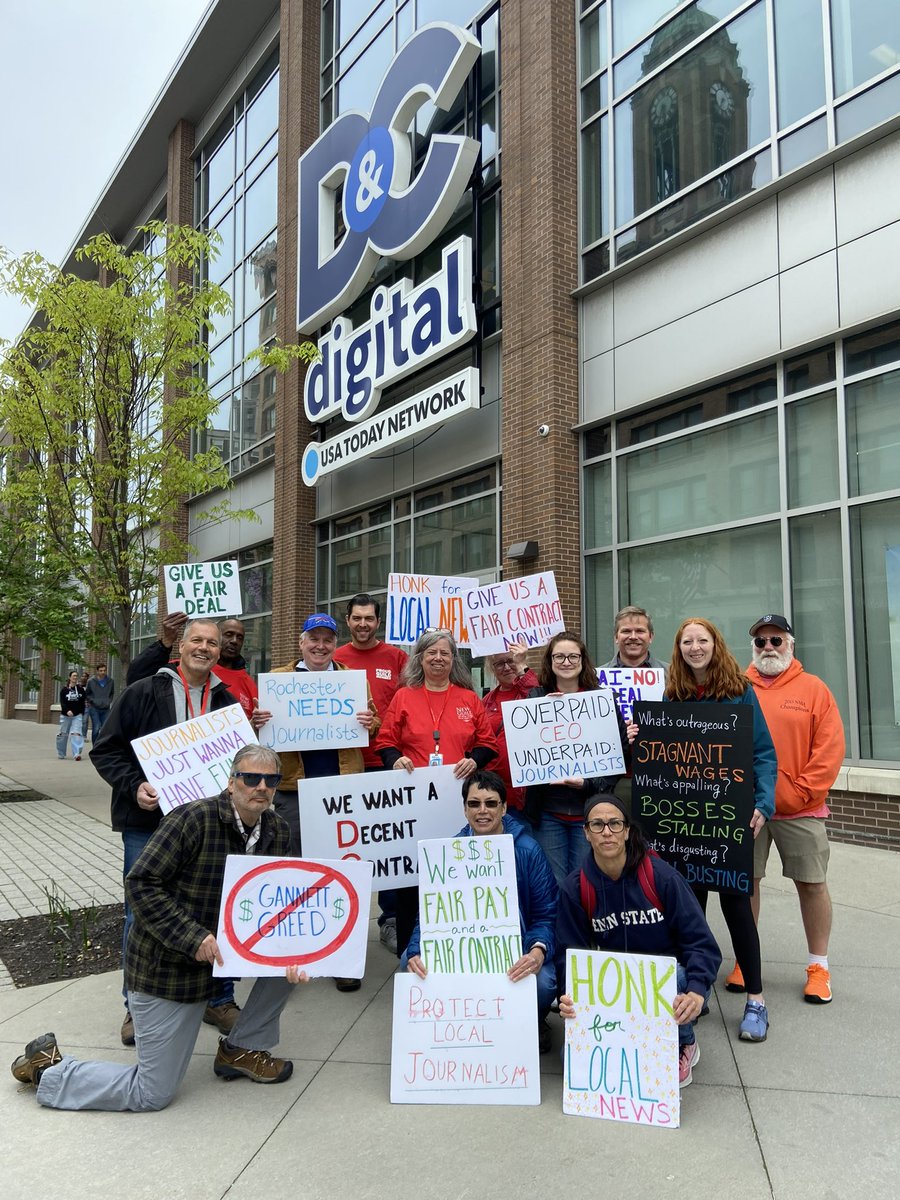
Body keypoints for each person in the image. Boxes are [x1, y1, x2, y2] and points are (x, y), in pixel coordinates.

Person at [11, 747, 309, 1111]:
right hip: (170, 967)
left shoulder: (277, 830)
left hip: (227, 956)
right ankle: (50, 1068)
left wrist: (299, 949)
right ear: (232, 782)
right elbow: (141, 884)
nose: (261, 787)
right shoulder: (193, 820)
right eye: (251, 778)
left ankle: (240, 1049)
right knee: (152, 1092)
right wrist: (192, 937)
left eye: (271, 780)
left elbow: (282, 901)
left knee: (290, 966)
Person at [91, 619, 245, 1044]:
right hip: (148, 824)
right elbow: (105, 749)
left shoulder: (226, 701)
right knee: (139, 913)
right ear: (181, 645)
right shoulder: (144, 691)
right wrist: (132, 785)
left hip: (209, 827)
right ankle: (136, 1007)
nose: (205, 648)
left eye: (212, 643)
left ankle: (218, 997)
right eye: (197, 640)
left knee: (214, 908)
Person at [660, 617, 777, 1043]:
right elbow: (661, 756)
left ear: (715, 644)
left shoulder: (739, 692)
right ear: (679, 648)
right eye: (687, 641)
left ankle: (756, 1001)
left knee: (737, 910)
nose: (695, 647)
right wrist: (640, 735)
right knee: (690, 912)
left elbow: (763, 752)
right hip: (685, 821)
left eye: (702, 640)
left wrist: (763, 803)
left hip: (727, 820)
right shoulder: (672, 695)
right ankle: (695, 990)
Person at [556, 795, 722, 1088]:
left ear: (627, 831)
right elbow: (569, 953)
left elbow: (701, 943)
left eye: (614, 823)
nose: (607, 832)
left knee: (680, 980)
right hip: (616, 988)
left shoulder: (661, 878)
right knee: (570, 1059)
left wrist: (697, 991)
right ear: (586, 832)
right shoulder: (576, 887)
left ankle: (685, 1043)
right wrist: (567, 995)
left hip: (670, 981)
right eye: (597, 825)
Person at [256, 611, 376, 992]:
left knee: (343, 875)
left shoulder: (352, 681)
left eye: (327, 639)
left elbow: (371, 727)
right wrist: (259, 721)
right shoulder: (278, 682)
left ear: (334, 643)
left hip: (342, 790)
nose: (321, 646)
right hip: (295, 789)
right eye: (314, 639)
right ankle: (297, 954)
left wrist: (370, 722)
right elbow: (261, 738)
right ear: (302, 642)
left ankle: (342, 958)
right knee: (296, 875)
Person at [405, 769, 558, 1052]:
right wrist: (416, 949)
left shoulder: (528, 850)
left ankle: (533, 1020)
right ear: (464, 809)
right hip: (462, 949)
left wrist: (537, 951)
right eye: (474, 804)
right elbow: (427, 914)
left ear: (504, 807)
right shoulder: (447, 852)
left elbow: (546, 913)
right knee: (409, 963)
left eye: (490, 803)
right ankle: (453, 1023)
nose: (482, 811)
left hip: (518, 948)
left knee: (544, 981)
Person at [740, 614, 845, 1005]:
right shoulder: (736, 686)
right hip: (747, 808)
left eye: (776, 641)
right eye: (762, 642)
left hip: (800, 808)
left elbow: (830, 748)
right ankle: (746, 960)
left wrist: (801, 792)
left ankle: (818, 966)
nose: (768, 648)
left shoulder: (814, 689)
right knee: (744, 885)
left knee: (812, 884)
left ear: (790, 645)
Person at [375, 629, 498, 955]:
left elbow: (489, 743)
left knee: (453, 879)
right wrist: (395, 759)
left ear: (453, 658)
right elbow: (385, 740)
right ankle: (407, 954)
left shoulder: (468, 698)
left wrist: (474, 761)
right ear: (420, 658)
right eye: (432, 653)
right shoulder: (404, 695)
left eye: (445, 653)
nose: (438, 658)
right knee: (411, 881)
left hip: (455, 802)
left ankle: (451, 951)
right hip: (414, 803)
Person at [522, 630, 629, 886]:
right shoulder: (536, 698)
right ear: (550, 661)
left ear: (582, 661)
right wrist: (538, 714)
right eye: (559, 657)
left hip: (589, 809)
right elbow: (522, 751)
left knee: (588, 882)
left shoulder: (603, 700)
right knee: (555, 884)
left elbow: (620, 753)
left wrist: (587, 783)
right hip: (548, 811)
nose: (566, 662)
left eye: (573, 656)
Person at [333, 593, 408, 955]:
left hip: (386, 762)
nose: (363, 624)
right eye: (357, 618)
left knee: (390, 844)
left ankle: (390, 919)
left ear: (378, 622)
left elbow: (411, 699)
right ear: (347, 620)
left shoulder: (396, 657)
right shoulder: (334, 658)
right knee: (349, 845)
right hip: (345, 766)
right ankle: (344, 921)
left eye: (369, 618)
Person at [128, 614, 258, 719]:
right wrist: (165, 642)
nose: (235, 641)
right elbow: (136, 676)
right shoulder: (163, 681)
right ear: (182, 646)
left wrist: (253, 727)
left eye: (240, 637)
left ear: (217, 651)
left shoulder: (231, 697)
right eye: (228, 634)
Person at [481, 642, 539, 820]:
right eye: (499, 663)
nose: (506, 667)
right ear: (492, 669)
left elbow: (538, 701)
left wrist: (522, 666)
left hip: (527, 793)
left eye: (510, 661)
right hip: (495, 791)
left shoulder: (531, 692)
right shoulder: (486, 701)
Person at [126, 610, 188, 684]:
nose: (203, 647)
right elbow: (136, 677)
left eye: (206, 641)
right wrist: (164, 644)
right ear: (182, 645)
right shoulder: (170, 675)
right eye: (197, 640)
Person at [600, 605, 668, 670]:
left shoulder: (672, 675)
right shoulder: (596, 678)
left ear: (651, 637)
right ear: (616, 637)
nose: (633, 637)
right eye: (626, 631)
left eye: (640, 631)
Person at [56, 670, 86, 761]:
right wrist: (67, 710)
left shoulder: (80, 690)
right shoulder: (64, 690)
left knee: (76, 733)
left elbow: (82, 703)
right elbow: (62, 703)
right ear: (69, 678)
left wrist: (81, 712)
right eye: (73, 676)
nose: (75, 677)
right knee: (63, 734)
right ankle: (61, 753)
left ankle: (76, 753)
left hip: (77, 716)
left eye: (76, 676)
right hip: (66, 716)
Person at [84, 663, 115, 743]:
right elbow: (87, 694)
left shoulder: (110, 681)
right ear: (97, 671)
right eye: (101, 671)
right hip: (94, 708)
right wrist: (93, 701)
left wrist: (108, 701)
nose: (103, 672)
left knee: (105, 728)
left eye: (104, 670)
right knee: (96, 727)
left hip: (106, 708)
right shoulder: (91, 681)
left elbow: (112, 693)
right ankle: (95, 746)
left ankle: (102, 746)